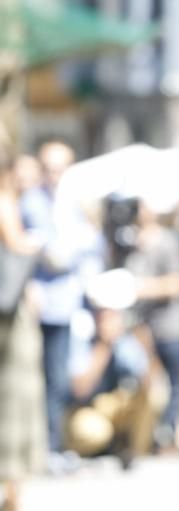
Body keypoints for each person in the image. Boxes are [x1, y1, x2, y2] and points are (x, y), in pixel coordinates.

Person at [19, 140, 90, 463]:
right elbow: (49, 254)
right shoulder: (31, 201)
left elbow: (85, 247)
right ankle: (42, 447)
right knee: (36, 377)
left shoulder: (72, 202)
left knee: (59, 377)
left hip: (66, 304)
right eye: (49, 168)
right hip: (39, 303)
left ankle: (53, 444)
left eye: (60, 169)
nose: (54, 175)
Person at [0, 148, 46, 511]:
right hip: (9, 319)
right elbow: (16, 247)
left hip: (13, 311)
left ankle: (14, 487)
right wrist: (38, 242)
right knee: (16, 396)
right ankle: (13, 487)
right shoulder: (5, 202)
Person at [124, 201, 179, 451]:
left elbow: (177, 284)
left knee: (174, 386)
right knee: (144, 382)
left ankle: (168, 436)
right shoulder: (129, 242)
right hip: (141, 329)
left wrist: (139, 289)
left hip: (170, 327)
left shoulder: (168, 242)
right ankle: (146, 436)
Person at [65, 305, 158, 467]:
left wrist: (147, 348)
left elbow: (150, 382)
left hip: (116, 407)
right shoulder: (82, 336)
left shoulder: (126, 340)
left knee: (154, 396)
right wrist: (104, 345)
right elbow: (81, 388)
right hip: (90, 408)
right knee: (93, 431)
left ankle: (135, 452)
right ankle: (97, 451)